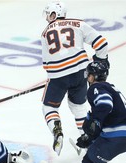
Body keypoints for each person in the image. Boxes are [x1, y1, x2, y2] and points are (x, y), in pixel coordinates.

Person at [41, 1, 109, 155]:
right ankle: (87, 137)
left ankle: (56, 130)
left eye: (49, 14)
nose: (47, 18)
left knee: (50, 107)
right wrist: (100, 60)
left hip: (57, 76)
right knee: (78, 106)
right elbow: (102, 43)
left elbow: (47, 64)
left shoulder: (44, 33)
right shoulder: (78, 24)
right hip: (81, 72)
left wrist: (57, 79)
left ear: (55, 14)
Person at [65, 61, 126, 163]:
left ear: (92, 76)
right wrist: (90, 135)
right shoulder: (112, 88)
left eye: (88, 74)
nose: (87, 77)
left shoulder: (96, 88)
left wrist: (92, 127)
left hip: (115, 135)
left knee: (89, 161)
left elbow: (104, 105)